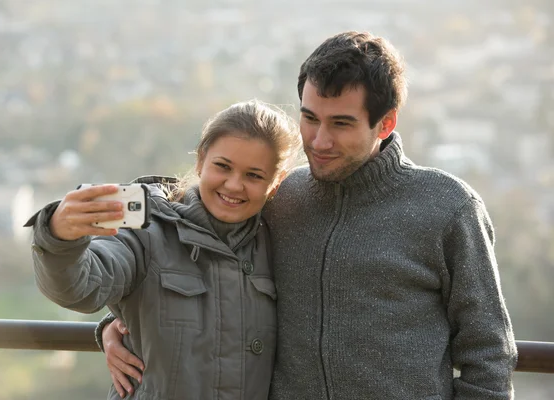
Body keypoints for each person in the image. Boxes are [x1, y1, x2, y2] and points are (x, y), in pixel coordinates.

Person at [99, 31, 518, 399]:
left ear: (385, 123)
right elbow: (202, 262)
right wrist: (112, 327)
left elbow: (488, 352)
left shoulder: (448, 207)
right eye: (309, 117)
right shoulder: (278, 197)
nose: (318, 141)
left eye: (341, 124)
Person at [25, 99, 302, 399]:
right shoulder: (147, 232)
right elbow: (81, 286)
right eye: (223, 166)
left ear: (275, 183)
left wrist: (115, 325)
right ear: (200, 161)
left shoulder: (281, 243)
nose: (234, 185)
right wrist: (60, 238)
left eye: (254, 175)